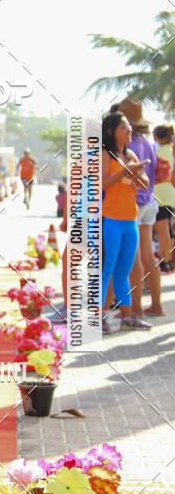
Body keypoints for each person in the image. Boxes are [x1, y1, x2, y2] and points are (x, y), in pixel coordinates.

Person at [101, 112, 151, 333]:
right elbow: (101, 183)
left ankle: (128, 317)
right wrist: (125, 171)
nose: (130, 130)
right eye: (124, 127)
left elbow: (145, 184)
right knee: (106, 271)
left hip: (130, 221)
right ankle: (98, 319)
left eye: (130, 127)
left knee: (123, 272)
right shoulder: (105, 155)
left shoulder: (130, 154)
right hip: (110, 220)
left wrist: (138, 173)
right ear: (111, 131)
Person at [118, 98, 163, 318]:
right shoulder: (148, 142)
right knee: (149, 255)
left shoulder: (129, 146)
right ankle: (156, 304)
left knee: (133, 258)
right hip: (150, 202)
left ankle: (135, 308)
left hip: (133, 205)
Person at [152, 124, 175, 272]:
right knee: (170, 229)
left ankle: (166, 261)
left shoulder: (155, 152)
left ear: (156, 137)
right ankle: (170, 260)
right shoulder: (173, 151)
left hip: (158, 192)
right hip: (171, 191)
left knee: (162, 229)